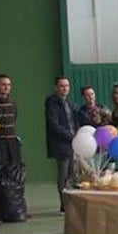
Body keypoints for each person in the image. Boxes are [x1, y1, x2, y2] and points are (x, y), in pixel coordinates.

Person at [0, 74, 25, 223]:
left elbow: (6, 124)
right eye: (3, 84)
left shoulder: (12, 104)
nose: (6, 87)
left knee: (7, 181)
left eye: (8, 85)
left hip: (11, 148)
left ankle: (7, 212)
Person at [44, 76, 77, 212]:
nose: (65, 88)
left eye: (67, 86)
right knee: (63, 174)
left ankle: (72, 202)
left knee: (72, 174)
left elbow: (74, 122)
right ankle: (64, 205)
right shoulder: (51, 103)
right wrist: (70, 136)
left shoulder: (70, 104)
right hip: (61, 144)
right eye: (62, 86)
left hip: (73, 143)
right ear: (56, 88)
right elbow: (53, 125)